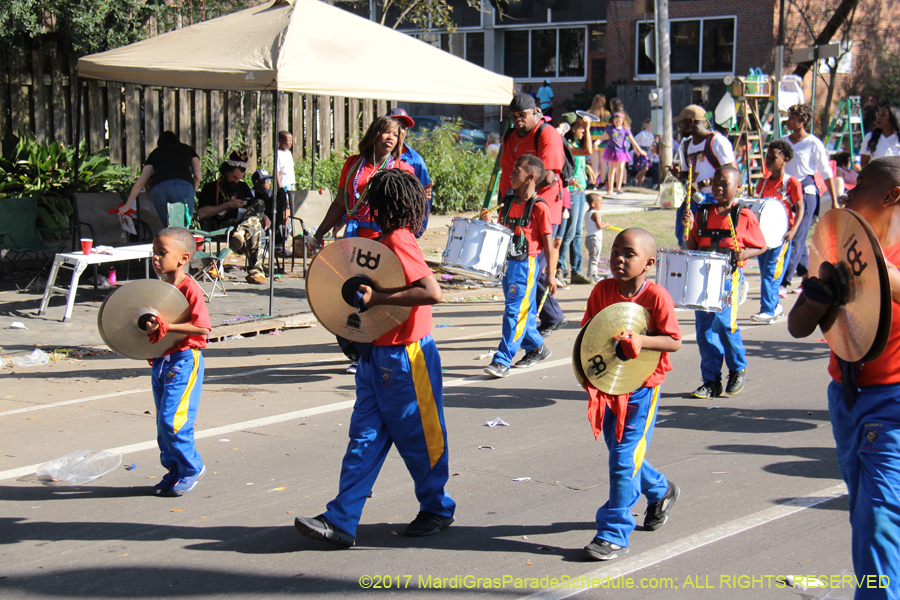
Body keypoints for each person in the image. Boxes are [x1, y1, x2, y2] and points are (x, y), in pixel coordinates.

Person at [294, 169, 455, 548]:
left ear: (383, 205)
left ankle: (437, 508)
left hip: (407, 355)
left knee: (420, 437)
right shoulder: (380, 240)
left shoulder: (400, 240)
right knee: (363, 439)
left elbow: (432, 292)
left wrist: (379, 299)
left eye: (371, 199)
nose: (366, 205)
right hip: (376, 355)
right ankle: (341, 519)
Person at [787, 156, 900, 599]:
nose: (848, 193)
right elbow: (798, 325)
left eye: (860, 187)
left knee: (878, 518)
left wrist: (869, 269)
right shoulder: (838, 245)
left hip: (892, 401)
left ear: (892, 195)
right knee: (865, 515)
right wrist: (819, 294)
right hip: (847, 395)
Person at [579, 227, 682, 561]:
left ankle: (614, 532)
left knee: (623, 459)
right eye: (615, 252)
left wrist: (641, 341)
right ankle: (660, 489)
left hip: (643, 389)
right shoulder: (602, 290)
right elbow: (589, 334)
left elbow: (674, 341)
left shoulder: (656, 297)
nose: (619, 259)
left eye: (629, 254)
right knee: (621, 451)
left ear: (649, 263)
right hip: (610, 385)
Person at [308, 115, 415, 374]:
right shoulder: (353, 164)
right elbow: (340, 203)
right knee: (343, 295)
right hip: (353, 239)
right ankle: (356, 351)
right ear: (375, 134)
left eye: (396, 133)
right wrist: (320, 232)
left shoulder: (401, 168)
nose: (391, 137)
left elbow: (409, 209)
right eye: (387, 132)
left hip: (383, 241)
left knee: (373, 297)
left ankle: (369, 354)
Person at [682, 165, 766, 399]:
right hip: (703, 277)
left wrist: (745, 254)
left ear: (738, 187)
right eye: (716, 183)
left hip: (728, 276)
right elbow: (693, 247)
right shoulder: (704, 213)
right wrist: (688, 228)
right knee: (704, 330)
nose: (718, 188)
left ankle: (738, 366)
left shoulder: (743, 215)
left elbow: (761, 246)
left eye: (725, 184)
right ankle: (711, 381)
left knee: (724, 325)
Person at [145, 227, 212, 496]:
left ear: (183, 258)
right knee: (163, 426)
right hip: (161, 362)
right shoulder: (159, 288)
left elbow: (203, 328)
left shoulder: (190, 288)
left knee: (173, 420)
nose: (156, 259)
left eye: (162, 253)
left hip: (184, 361)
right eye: (154, 253)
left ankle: (192, 468)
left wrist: (168, 327)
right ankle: (173, 469)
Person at [482, 155, 557, 379]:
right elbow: (503, 233)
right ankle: (538, 347)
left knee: (514, 312)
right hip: (508, 265)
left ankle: (502, 360)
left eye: (517, 171)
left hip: (526, 265)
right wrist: (489, 223)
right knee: (522, 311)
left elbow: (549, 245)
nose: (511, 175)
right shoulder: (508, 202)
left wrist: (551, 274)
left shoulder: (539, 207)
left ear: (530, 177)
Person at [499, 93, 567, 337]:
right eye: (513, 116)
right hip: (518, 207)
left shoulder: (546, 133)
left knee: (533, 265)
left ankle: (549, 316)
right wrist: (504, 204)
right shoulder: (509, 137)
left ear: (535, 113)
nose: (518, 120)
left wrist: (523, 194)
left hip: (544, 207)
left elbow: (548, 176)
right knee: (523, 265)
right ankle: (550, 316)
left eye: (522, 115)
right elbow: (506, 173)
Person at [779, 104, 841, 294]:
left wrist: (835, 200)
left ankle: (784, 281)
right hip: (787, 193)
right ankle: (807, 274)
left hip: (806, 193)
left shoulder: (813, 143)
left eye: (792, 118)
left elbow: (826, 171)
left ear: (803, 121)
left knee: (797, 235)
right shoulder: (783, 141)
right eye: (788, 117)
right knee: (793, 234)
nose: (787, 121)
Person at [196, 151, 271, 285]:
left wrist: (264, 216)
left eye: (239, 178)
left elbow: (254, 206)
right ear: (225, 172)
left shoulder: (242, 187)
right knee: (255, 226)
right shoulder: (211, 188)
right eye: (234, 177)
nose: (236, 181)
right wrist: (227, 205)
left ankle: (242, 232)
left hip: (241, 224)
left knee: (260, 203)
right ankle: (255, 271)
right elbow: (202, 213)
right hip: (223, 225)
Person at [751, 141, 804, 323]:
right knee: (765, 271)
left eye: (773, 158)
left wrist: (793, 230)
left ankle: (768, 309)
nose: (768, 161)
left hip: (781, 236)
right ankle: (774, 306)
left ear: (785, 160)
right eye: (767, 157)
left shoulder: (791, 183)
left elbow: (800, 208)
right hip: (763, 237)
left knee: (771, 273)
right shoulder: (763, 182)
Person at [670, 105, 737, 244]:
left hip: (715, 201)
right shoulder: (686, 146)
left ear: (691, 122)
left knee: (711, 242)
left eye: (681, 124)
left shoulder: (717, 141)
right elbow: (687, 176)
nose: (679, 128)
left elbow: (733, 172)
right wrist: (678, 175)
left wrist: (702, 184)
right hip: (693, 201)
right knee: (685, 239)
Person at [120, 131, 201, 227]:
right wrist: (195, 187)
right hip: (183, 186)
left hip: (160, 188)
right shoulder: (187, 149)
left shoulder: (155, 153)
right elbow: (198, 174)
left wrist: (127, 205)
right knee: (182, 226)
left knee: (167, 227)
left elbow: (141, 182)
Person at [558, 113, 594, 285]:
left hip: (580, 191)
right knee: (569, 232)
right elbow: (588, 151)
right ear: (571, 127)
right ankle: (559, 268)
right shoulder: (566, 144)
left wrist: (586, 167)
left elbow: (582, 157)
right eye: (580, 126)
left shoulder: (576, 143)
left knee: (577, 232)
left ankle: (576, 271)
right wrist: (588, 130)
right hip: (571, 191)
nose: (583, 130)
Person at [386, 108, 434, 236]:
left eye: (402, 127)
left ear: (405, 132)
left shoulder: (416, 161)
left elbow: (425, 197)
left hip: (401, 229)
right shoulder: (377, 156)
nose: (397, 130)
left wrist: (418, 229)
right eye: (394, 125)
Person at [604, 112, 645, 195]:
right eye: (616, 122)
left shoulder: (625, 129)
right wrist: (597, 143)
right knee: (612, 170)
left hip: (622, 151)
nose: (617, 123)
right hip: (612, 151)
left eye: (619, 122)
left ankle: (618, 188)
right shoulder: (610, 128)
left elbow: (633, 141)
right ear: (613, 120)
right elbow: (602, 137)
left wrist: (640, 150)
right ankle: (610, 188)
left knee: (621, 169)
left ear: (622, 121)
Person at [250, 169, 289, 251]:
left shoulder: (271, 192)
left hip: (274, 218)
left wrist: (286, 210)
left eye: (270, 180)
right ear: (256, 182)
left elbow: (286, 203)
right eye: (266, 180)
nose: (269, 183)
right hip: (261, 219)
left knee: (281, 194)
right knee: (261, 196)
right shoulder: (252, 192)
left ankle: (277, 238)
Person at [584, 192, 610, 282]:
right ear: (593, 203)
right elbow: (599, 226)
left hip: (589, 237)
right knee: (594, 257)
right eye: (600, 203)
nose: (601, 205)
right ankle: (592, 274)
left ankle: (591, 273)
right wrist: (606, 224)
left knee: (592, 256)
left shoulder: (587, 213)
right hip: (595, 238)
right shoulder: (595, 214)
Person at [587, 95, 611, 188]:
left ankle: (593, 181)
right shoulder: (607, 114)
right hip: (604, 140)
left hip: (592, 140)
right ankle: (601, 182)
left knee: (594, 163)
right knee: (603, 162)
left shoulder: (589, 113)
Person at [633, 119, 655, 188]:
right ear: (647, 126)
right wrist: (636, 150)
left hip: (647, 152)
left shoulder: (651, 134)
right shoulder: (642, 133)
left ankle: (639, 186)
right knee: (645, 168)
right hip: (641, 151)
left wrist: (653, 153)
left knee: (643, 170)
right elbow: (634, 140)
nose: (652, 127)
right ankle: (635, 178)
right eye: (651, 125)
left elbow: (652, 145)